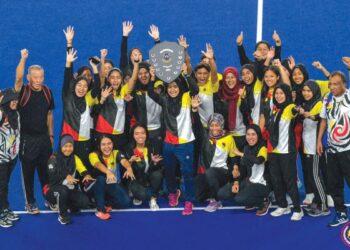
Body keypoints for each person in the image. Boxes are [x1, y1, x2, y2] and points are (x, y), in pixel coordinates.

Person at [147, 64, 199, 215]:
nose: (172, 89)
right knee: (169, 171)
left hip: (185, 143)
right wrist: (152, 77)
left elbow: (195, 89)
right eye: (170, 87)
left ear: (180, 87)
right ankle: (173, 192)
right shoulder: (163, 99)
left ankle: (189, 200)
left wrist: (186, 74)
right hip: (168, 143)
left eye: (175, 87)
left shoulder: (186, 96)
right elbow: (150, 92)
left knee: (188, 173)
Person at [15, 49, 55, 214]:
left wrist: (51, 135)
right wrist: (23, 59)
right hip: (27, 140)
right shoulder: (23, 91)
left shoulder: (47, 92)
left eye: (41, 77)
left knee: (46, 173)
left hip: (44, 140)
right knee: (28, 174)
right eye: (35, 77)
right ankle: (30, 202)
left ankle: (49, 199)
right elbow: (17, 78)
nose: (39, 80)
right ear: (29, 78)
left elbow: (50, 114)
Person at [192, 96, 237, 212]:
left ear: (221, 125)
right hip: (207, 171)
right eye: (212, 125)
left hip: (222, 171)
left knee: (210, 172)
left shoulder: (228, 138)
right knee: (198, 197)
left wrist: (235, 168)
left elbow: (233, 157)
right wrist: (195, 110)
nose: (214, 128)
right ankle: (214, 190)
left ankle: (216, 201)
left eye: (217, 125)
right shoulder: (205, 135)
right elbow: (197, 125)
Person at [317, 71, 350, 227]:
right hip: (332, 150)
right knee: (335, 184)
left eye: (336, 83)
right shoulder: (327, 99)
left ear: (344, 83)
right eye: (330, 84)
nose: (332, 87)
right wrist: (319, 140)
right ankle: (341, 213)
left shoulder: (349, 96)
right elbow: (323, 120)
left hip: (348, 150)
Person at [266, 83, 303, 221]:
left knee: (290, 181)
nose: (278, 96)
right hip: (273, 150)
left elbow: (295, 110)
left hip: (286, 150)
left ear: (287, 95)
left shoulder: (289, 108)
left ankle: (298, 209)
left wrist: (298, 109)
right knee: (276, 180)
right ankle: (283, 205)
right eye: (277, 93)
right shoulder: (274, 109)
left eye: (281, 93)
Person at [61, 48, 102, 170]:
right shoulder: (67, 96)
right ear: (74, 86)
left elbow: (97, 86)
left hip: (85, 141)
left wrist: (95, 68)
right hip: (69, 141)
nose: (82, 88)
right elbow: (67, 79)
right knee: (69, 170)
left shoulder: (88, 98)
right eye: (79, 85)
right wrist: (68, 63)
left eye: (85, 86)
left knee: (85, 170)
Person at [217, 125, 271, 216]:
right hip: (249, 182)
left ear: (258, 135)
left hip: (262, 184)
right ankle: (250, 200)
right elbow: (243, 169)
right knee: (222, 193)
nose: (250, 137)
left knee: (239, 198)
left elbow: (258, 160)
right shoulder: (246, 147)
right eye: (248, 134)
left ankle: (263, 202)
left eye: (253, 134)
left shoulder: (263, 147)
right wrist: (236, 183)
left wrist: (241, 154)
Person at [43, 135, 94, 225]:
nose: (68, 149)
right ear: (61, 146)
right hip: (52, 189)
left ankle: (64, 204)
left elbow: (83, 169)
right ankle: (61, 214)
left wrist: (87, 175)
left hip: (68, 190)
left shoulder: (75, 158)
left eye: (70, 146)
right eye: (65, 146)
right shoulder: (53, 159)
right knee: (63, 190)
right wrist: (66, 176)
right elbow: (52, 178)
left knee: (84, 202)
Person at [95, 49, 140, 150]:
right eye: (112, 77)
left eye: (118, 77)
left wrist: (136, 64)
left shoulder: (124, 91)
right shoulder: (103, 89)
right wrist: (102, 58)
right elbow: (101, 76)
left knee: (117, 161)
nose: (115, 80)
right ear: (108, 79)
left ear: (121, 79)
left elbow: (133, 79)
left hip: (119, 133)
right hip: (103, 131)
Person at [298, 80, 329, 216]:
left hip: (315, 147)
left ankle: (323, 206)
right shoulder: (306, 103)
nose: (306, 93)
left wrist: (308, 114)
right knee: (311, 176)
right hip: (307, 146)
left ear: (315, 91)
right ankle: (317, 200)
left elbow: (319, 118)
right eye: (304, 90)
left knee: (316, 176)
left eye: (309, 91)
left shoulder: (319, 103)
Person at [89, 135, 134, 220]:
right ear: (99, 146)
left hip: (109, 185)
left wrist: (129, 168)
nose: (107, 147)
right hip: (95, 186)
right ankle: (100, 210)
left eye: (109, 143)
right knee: (101, 178)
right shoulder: (93, 155)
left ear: (113, 144)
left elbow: (124, 161)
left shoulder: (116, 152)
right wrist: (108, 172)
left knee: (126, 201)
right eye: (103, 144)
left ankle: (103, 203)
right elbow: (97, 164)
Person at [124, 124, 163, 210]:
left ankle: (153, 199)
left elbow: (157, 167)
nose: (140, 136)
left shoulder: (153, 146)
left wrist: (154, 163)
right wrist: (130, 161)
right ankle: (137, 195)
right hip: (136, 179)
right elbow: (125, 170)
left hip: (149, 177)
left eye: (143, 133)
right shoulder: (128, 148)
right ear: (133, 135)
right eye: (136, 134)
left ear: (146, 134)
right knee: (143, 195)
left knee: (157, 174)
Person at [0, 88, 20, 227]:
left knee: (4, 185)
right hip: (0, 158)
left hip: (12, 157)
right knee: (1, 186)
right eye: (12, 100)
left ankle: (5, 208)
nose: (15, 102)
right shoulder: (1, 114)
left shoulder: (16, 114)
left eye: (16, 100)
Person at [214, 67, 246, 150]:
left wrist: (243, 98)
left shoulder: (243, 90)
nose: (230, 80)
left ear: (237, 78)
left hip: (241, 134)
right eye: (227, 77)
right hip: (225, 135)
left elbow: (247, 112)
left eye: (232, 77)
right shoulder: (220, 93)